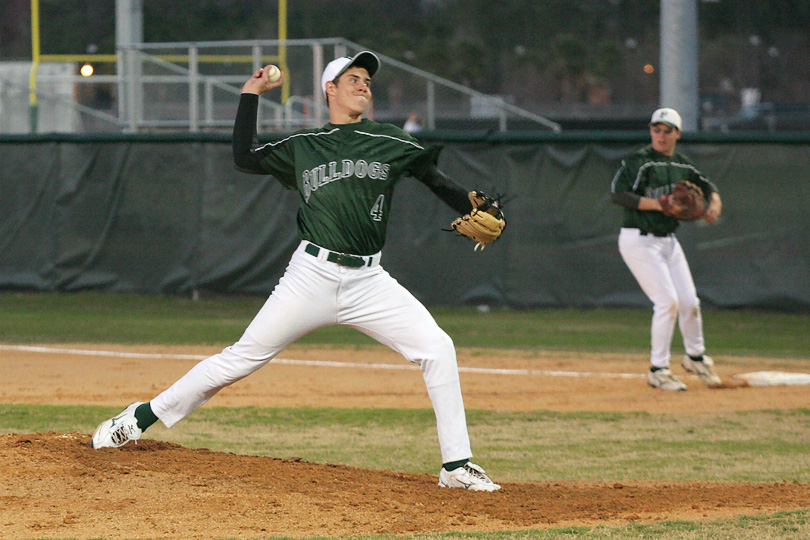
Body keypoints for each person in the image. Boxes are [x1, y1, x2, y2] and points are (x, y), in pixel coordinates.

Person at [91, 51, 501, 491]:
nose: (364, 86)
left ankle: (456, 466)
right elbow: (245, 157)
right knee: (240, 360)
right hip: (312, 276)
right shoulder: (303, 147)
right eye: (354, 79)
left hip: (369, 282)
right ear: (331, 88)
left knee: (437, 347)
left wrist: (476, 207)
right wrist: (250, 95)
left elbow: (435, 179)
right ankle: (138, 418)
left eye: (367, 80)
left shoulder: (390, 140)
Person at [609, 107, 723, 391]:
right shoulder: (640, 161)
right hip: (639, 239)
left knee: (690, 303)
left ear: (677, 134)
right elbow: (618, 194)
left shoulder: (684, 165)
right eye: (656, 129)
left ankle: (695, 357)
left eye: (667, 130)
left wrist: (714, 205)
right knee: (667, 302)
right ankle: (658, 369)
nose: (660, 135)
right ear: (651, 131)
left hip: (667, 242)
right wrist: (659, 204)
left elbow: (707, 186)